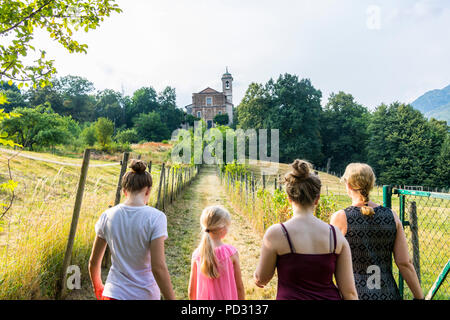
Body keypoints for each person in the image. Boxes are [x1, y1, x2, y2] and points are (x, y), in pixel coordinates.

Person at [254, 160, 358, 300]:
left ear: (289, 198)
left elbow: (262, 278)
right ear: (317, 199)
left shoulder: (276, 234)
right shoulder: (336, 236)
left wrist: (257, 278)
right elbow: (349, 292)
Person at [330, 163, 424, 300]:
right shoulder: (391, 216)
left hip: (354, 294)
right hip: (388, 293)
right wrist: (419, 296)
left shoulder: (341, 217)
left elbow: (329, 262)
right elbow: (404, 263)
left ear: (348, 185)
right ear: (371, 184)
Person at [88, 159, 176, 300]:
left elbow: (93, 262)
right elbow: (158, 267)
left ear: (124, 191)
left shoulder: (107, 216)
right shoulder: (156, 218)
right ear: (148, 191)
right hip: (145, 295)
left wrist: (97, 286)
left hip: (113, 293)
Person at [188, 205, 245, 300]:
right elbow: (239, 287)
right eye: (228, 226)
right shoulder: (231, 253)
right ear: (222, 228)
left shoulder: (197, 254)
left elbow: (191, 291)